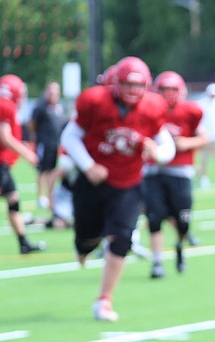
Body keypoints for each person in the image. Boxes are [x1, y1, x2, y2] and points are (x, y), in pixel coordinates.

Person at [59, 56, 174, 321]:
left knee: (121, 239)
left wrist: (157, 152)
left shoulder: (153, 107)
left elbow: (167, 145)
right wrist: (88, 166)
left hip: (128, 184)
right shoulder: (95, 102)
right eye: (127, 84)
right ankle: (85, 246)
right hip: (93, 182)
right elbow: (70, 135)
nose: (133, 90)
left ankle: (104, 300)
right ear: (115, 83)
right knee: (87, 238)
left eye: (138, 84)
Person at [143, 71, 207, 278]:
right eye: (163, 90)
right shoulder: (149, 111)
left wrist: (186, 143)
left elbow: (204, 137)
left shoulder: (191, 111)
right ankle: (157, 262)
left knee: (182, 221)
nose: (168, 94)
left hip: (180, 172)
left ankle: (180, 244)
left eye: (172, 90)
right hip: (153, 171)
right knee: (154, 216)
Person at [0, 74, 46, 255]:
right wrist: (27, 153)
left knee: (13, 200)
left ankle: (23, 242)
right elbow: (4, 137)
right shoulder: (3, 105)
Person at [28, 81, 67, 213]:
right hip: (44, 144)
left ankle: (51, 196)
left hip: (56, 145)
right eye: (50, 92)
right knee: (42, 170)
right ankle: (40, 196)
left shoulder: (59, 108)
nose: (53, 95)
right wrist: (35, 138)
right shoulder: (41, 107)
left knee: (52, 171)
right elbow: (32, 124)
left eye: (55, 92)